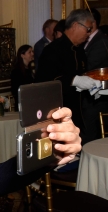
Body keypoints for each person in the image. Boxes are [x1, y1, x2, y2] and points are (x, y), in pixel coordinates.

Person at [37, 9, 100, 144]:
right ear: (76, 25)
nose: (89, 34)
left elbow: (84, 75)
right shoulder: (53, 50)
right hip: (58, 114)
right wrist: (74, 80)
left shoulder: (79, 50)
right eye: (88, 29)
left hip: (79, 113)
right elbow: (45, 80)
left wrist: (93, 88)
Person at [82, 8, 108, 142]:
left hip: (97, 98)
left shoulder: (101, 41)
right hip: (90, 97)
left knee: (92, 136)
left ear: (93, 22)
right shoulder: (88, 40)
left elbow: (89, 68)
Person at [10, 45, 35, 110]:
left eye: (32, 51)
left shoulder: (29, 69)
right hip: (23, 104)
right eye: (29, 52)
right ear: (22, 55)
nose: (32, 54)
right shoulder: (16, 71)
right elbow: (16, 89)